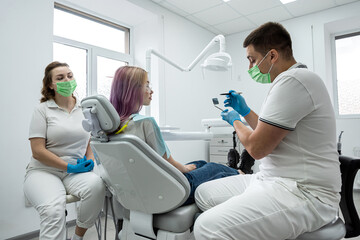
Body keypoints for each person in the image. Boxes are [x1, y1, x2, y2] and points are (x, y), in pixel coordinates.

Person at [194, 22, 341, 240]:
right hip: (270, 179)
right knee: (203, 194)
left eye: (252, 60)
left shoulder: (295, 80)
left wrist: (235, 121)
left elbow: (256, 148)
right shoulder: (292, 80)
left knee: (207, 227)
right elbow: (267, 131)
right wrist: (243, 110)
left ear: (272, 56)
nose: (250, 67)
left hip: (304, 192)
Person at [109, 66, 242, 205]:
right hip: (168, 194)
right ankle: (241, 174)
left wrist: (186, 168)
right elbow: (169, 163)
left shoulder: (110, 130)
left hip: (137, 194)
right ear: (133, 90)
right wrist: (184, 169)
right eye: (147, 85)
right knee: (215, 168)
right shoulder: (145, 122)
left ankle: (235, 171)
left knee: (201, 164)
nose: (151, 90)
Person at [23, 61, 106, 240]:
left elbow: (90, 137)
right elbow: (37, 151)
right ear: (51, 85)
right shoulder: (42, 110)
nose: (67, 80)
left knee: (97, 186)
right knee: (53, 210)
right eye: (60, 78)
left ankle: (77, 237)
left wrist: (90, 158)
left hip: (75, 172)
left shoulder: (85, 109)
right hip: (44, 171)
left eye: (70, 76)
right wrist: (68, 166)